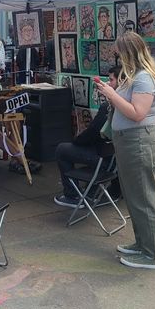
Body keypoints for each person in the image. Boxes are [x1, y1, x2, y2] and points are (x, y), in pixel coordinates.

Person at [94, 32, 155, 270]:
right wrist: (109, 91)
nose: (117, 57)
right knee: (134, 197)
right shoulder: (134, 76)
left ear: (128, 53)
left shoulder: (143, 78)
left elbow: (137, 113)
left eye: (119, 53)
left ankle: (150, 254)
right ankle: (141, 243)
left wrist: (111, 94)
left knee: (143, 199)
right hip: (128, 141)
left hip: (138, 142)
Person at [53, 66, 120, 207]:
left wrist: (77, 141)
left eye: (111, 80)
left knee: (62, 149)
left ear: (121, 81)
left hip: (105, 159)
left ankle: (72, 195)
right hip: (115, 160)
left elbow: (92, 133)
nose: (108, 83)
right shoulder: (127, 103)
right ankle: (92, 192)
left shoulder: (109, 106)